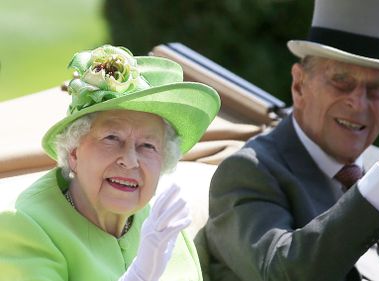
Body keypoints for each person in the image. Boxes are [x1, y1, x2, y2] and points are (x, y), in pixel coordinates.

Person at [205, 0, 379, 280]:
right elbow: (282, 273)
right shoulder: (249, 172)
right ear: (299, 85)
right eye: (341, 80)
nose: (358, 102)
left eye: (377, 89)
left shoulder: (378, 163)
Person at [0, 44, 220, 280]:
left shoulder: (163, 226)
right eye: (112, 138)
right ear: (74, 152)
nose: (130, 160)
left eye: (148, 145)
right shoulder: (24, 228)